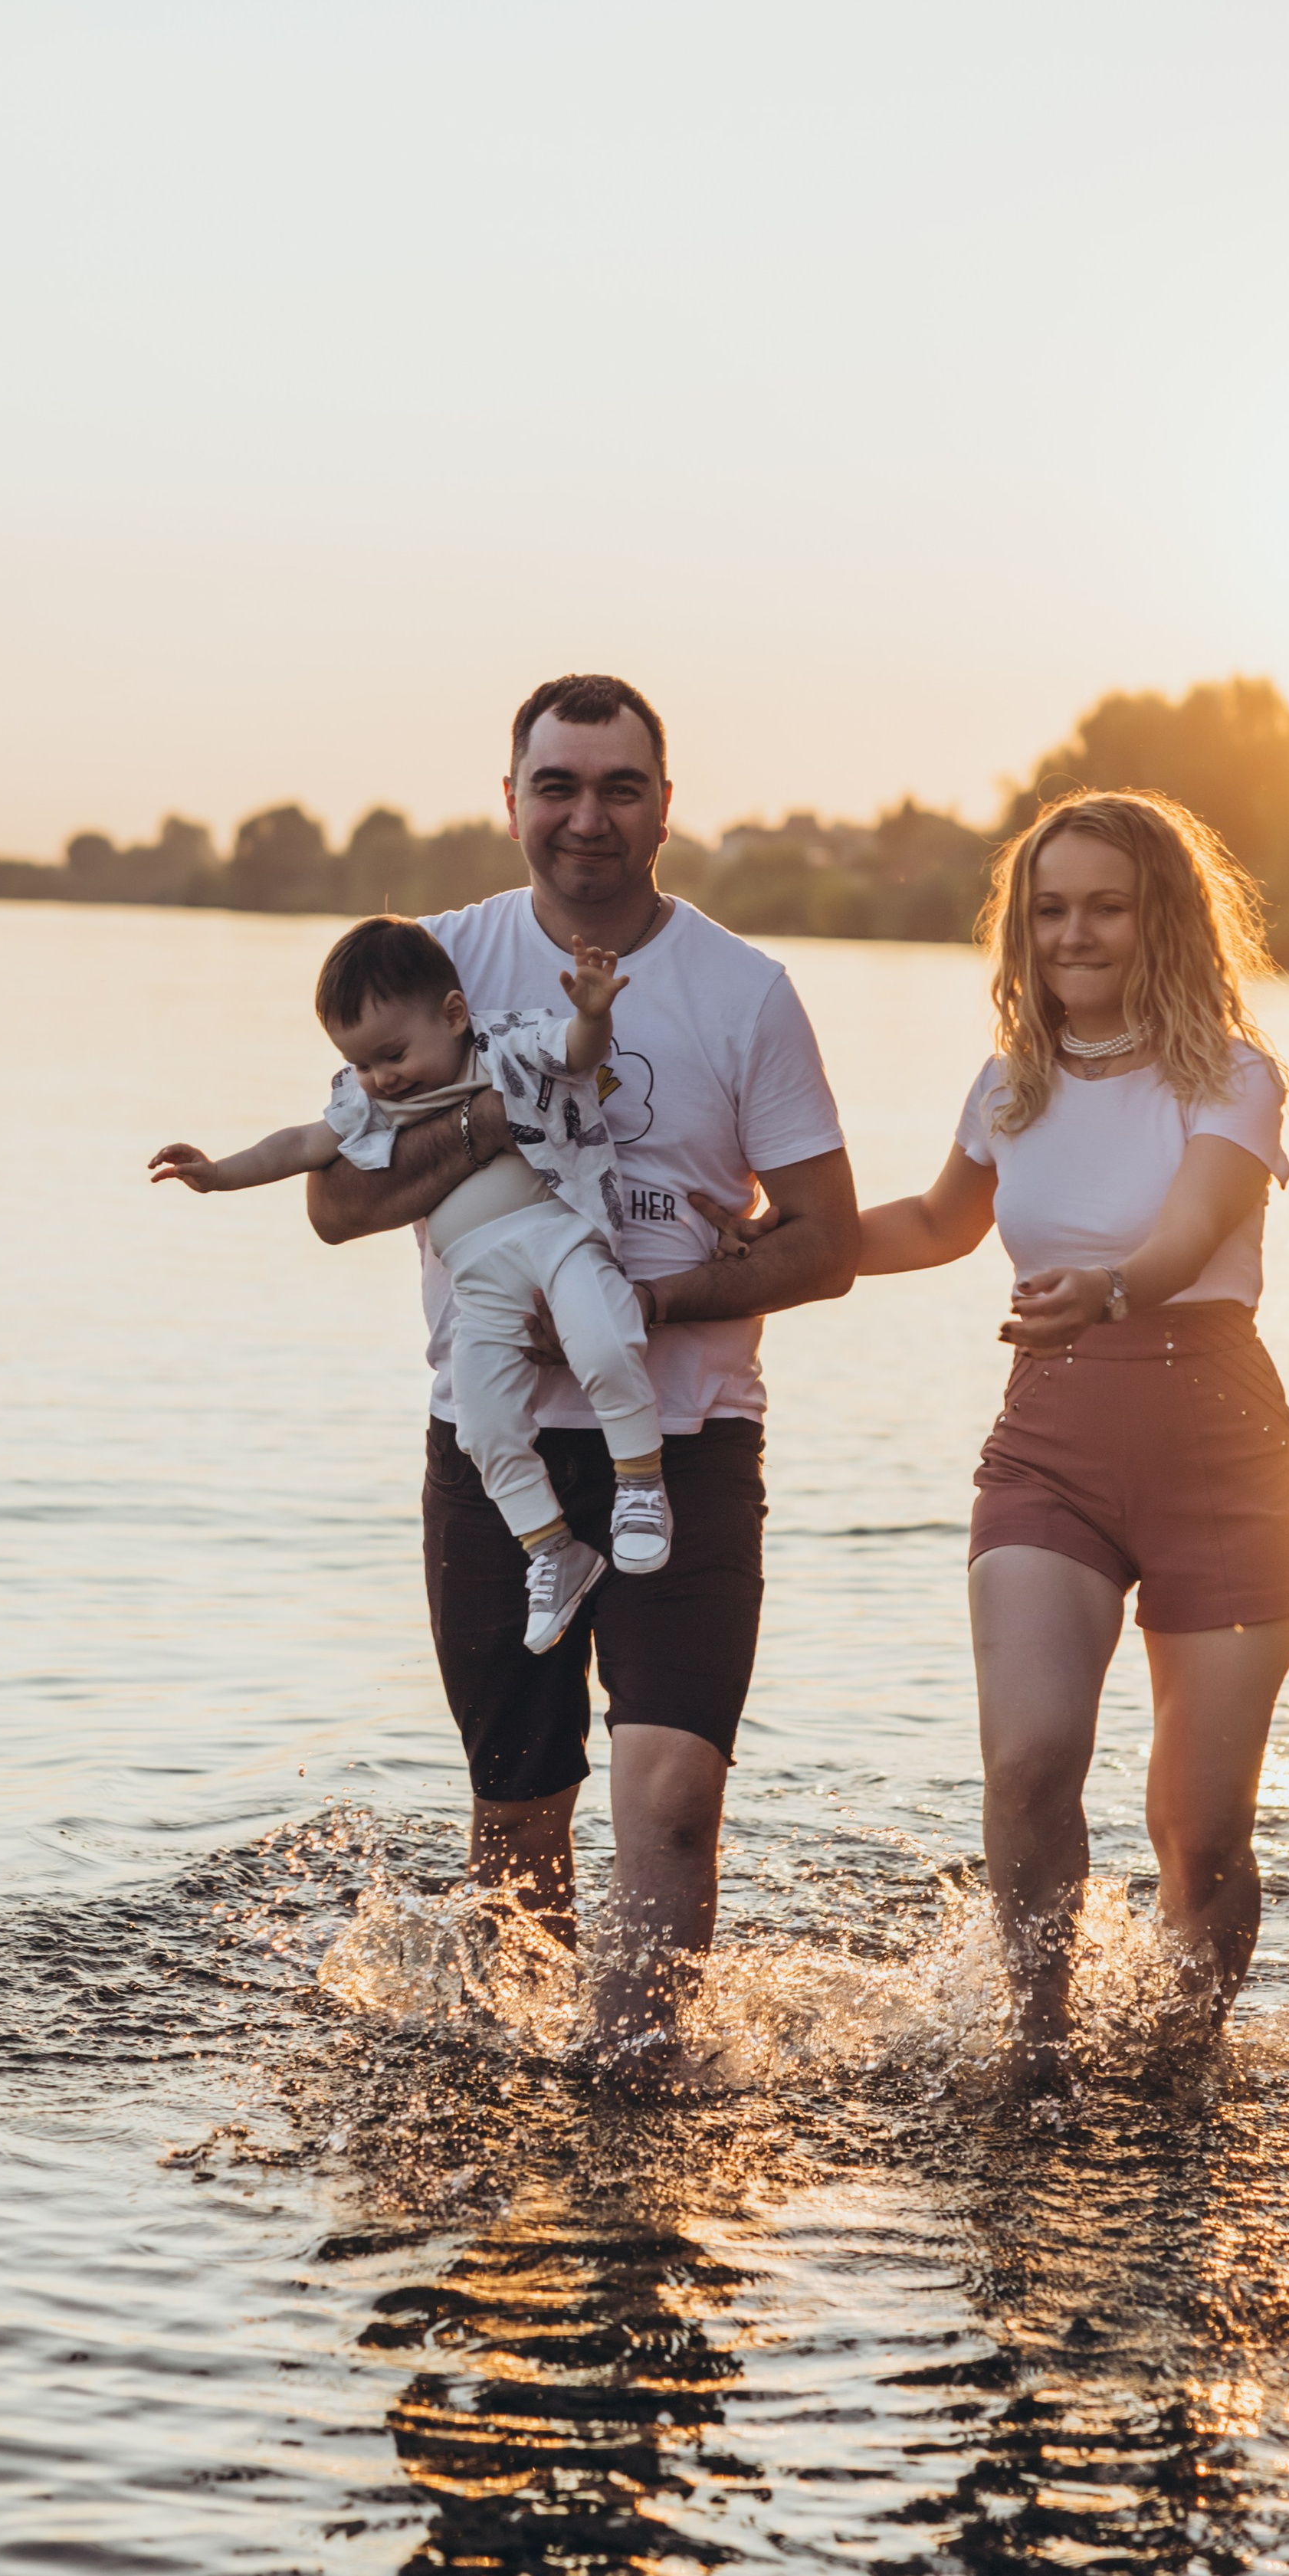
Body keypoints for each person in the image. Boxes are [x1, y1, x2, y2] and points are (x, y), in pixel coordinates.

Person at [306, 671, 860, 2063]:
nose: (587, 818)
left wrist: (644, 1303)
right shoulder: (434, 967)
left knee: (670, 1796)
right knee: (517, 1813)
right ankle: (513, 2104)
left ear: (667, 807)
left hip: (688, 1438)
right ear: (510, 804)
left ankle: (632, 2092)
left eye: (620, 788)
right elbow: (337, 1203)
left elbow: (828, 1243)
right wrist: (496, 1119)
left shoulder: (745, 995)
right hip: (491, 1448)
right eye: (558, 786)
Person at [852, 788, 1289, 2069]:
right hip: (1050, 1441)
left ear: (1160, 917)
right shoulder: (1008, 1087)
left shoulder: (1232, 1075)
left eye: (1106, 906)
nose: (1074, 934)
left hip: (1221, 1450)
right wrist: (767, 1246)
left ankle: (1178, 2069)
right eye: (1050, 909)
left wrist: (1112, 1288)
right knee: (1032, 1759)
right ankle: (1041, 2054)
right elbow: (934, 1226)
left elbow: (1189, 1230)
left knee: (1203, 1826)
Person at [149, 916, 676, 1646]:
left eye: (391, 1056)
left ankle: (641, 1482)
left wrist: (593, 1011)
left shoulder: (507, 1044)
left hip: (560, 1238)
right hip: (478, 1280)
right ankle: (552, 1547)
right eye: (361, 1064)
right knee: (482, 1423)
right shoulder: (371, 1098)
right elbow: (301, 1144)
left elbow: (579, 1056)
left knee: (604, 1341)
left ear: (454, 1015)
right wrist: (220, 1175)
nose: (380, 1078)